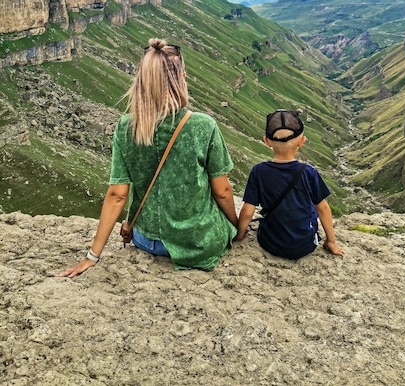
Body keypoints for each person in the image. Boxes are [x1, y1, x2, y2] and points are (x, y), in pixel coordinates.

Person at [58, 39, 238, 277]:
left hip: (146, 240)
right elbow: (223, 191)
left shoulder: (126, 127)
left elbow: (117, 194)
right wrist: (234, 225)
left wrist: (92, 256)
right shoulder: (202, 125)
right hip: (197, 242)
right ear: (181, 78)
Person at [235, 109, 344, 259]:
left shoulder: (258, 171)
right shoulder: (309, 172)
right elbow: (323, 208)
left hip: (270, 243)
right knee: (311, 208)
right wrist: (331, 241)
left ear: (266, 141)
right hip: (305, 245)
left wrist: (240, 234)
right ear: (302, 141)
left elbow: (248, 210)